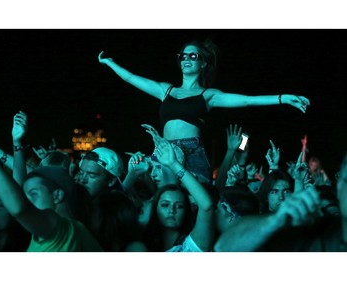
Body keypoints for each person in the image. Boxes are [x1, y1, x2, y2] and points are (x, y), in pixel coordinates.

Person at [98, 39, 310, 184]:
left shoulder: (209, 95)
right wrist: (110, 64)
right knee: (154, 197)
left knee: (193, 204)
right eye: (183, 55)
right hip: (163, 151)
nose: (186, 59)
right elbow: (131, 78)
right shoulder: (166, 90)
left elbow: (246, 101)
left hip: (192, 153)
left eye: (193, 55)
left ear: (203, 63)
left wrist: (283, 98)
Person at [0, 134, 102, 251]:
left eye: (33, 194)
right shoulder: (75, 230)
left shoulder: (61, 229)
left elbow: (19, 208)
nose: (25, 199)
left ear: (57, 195)